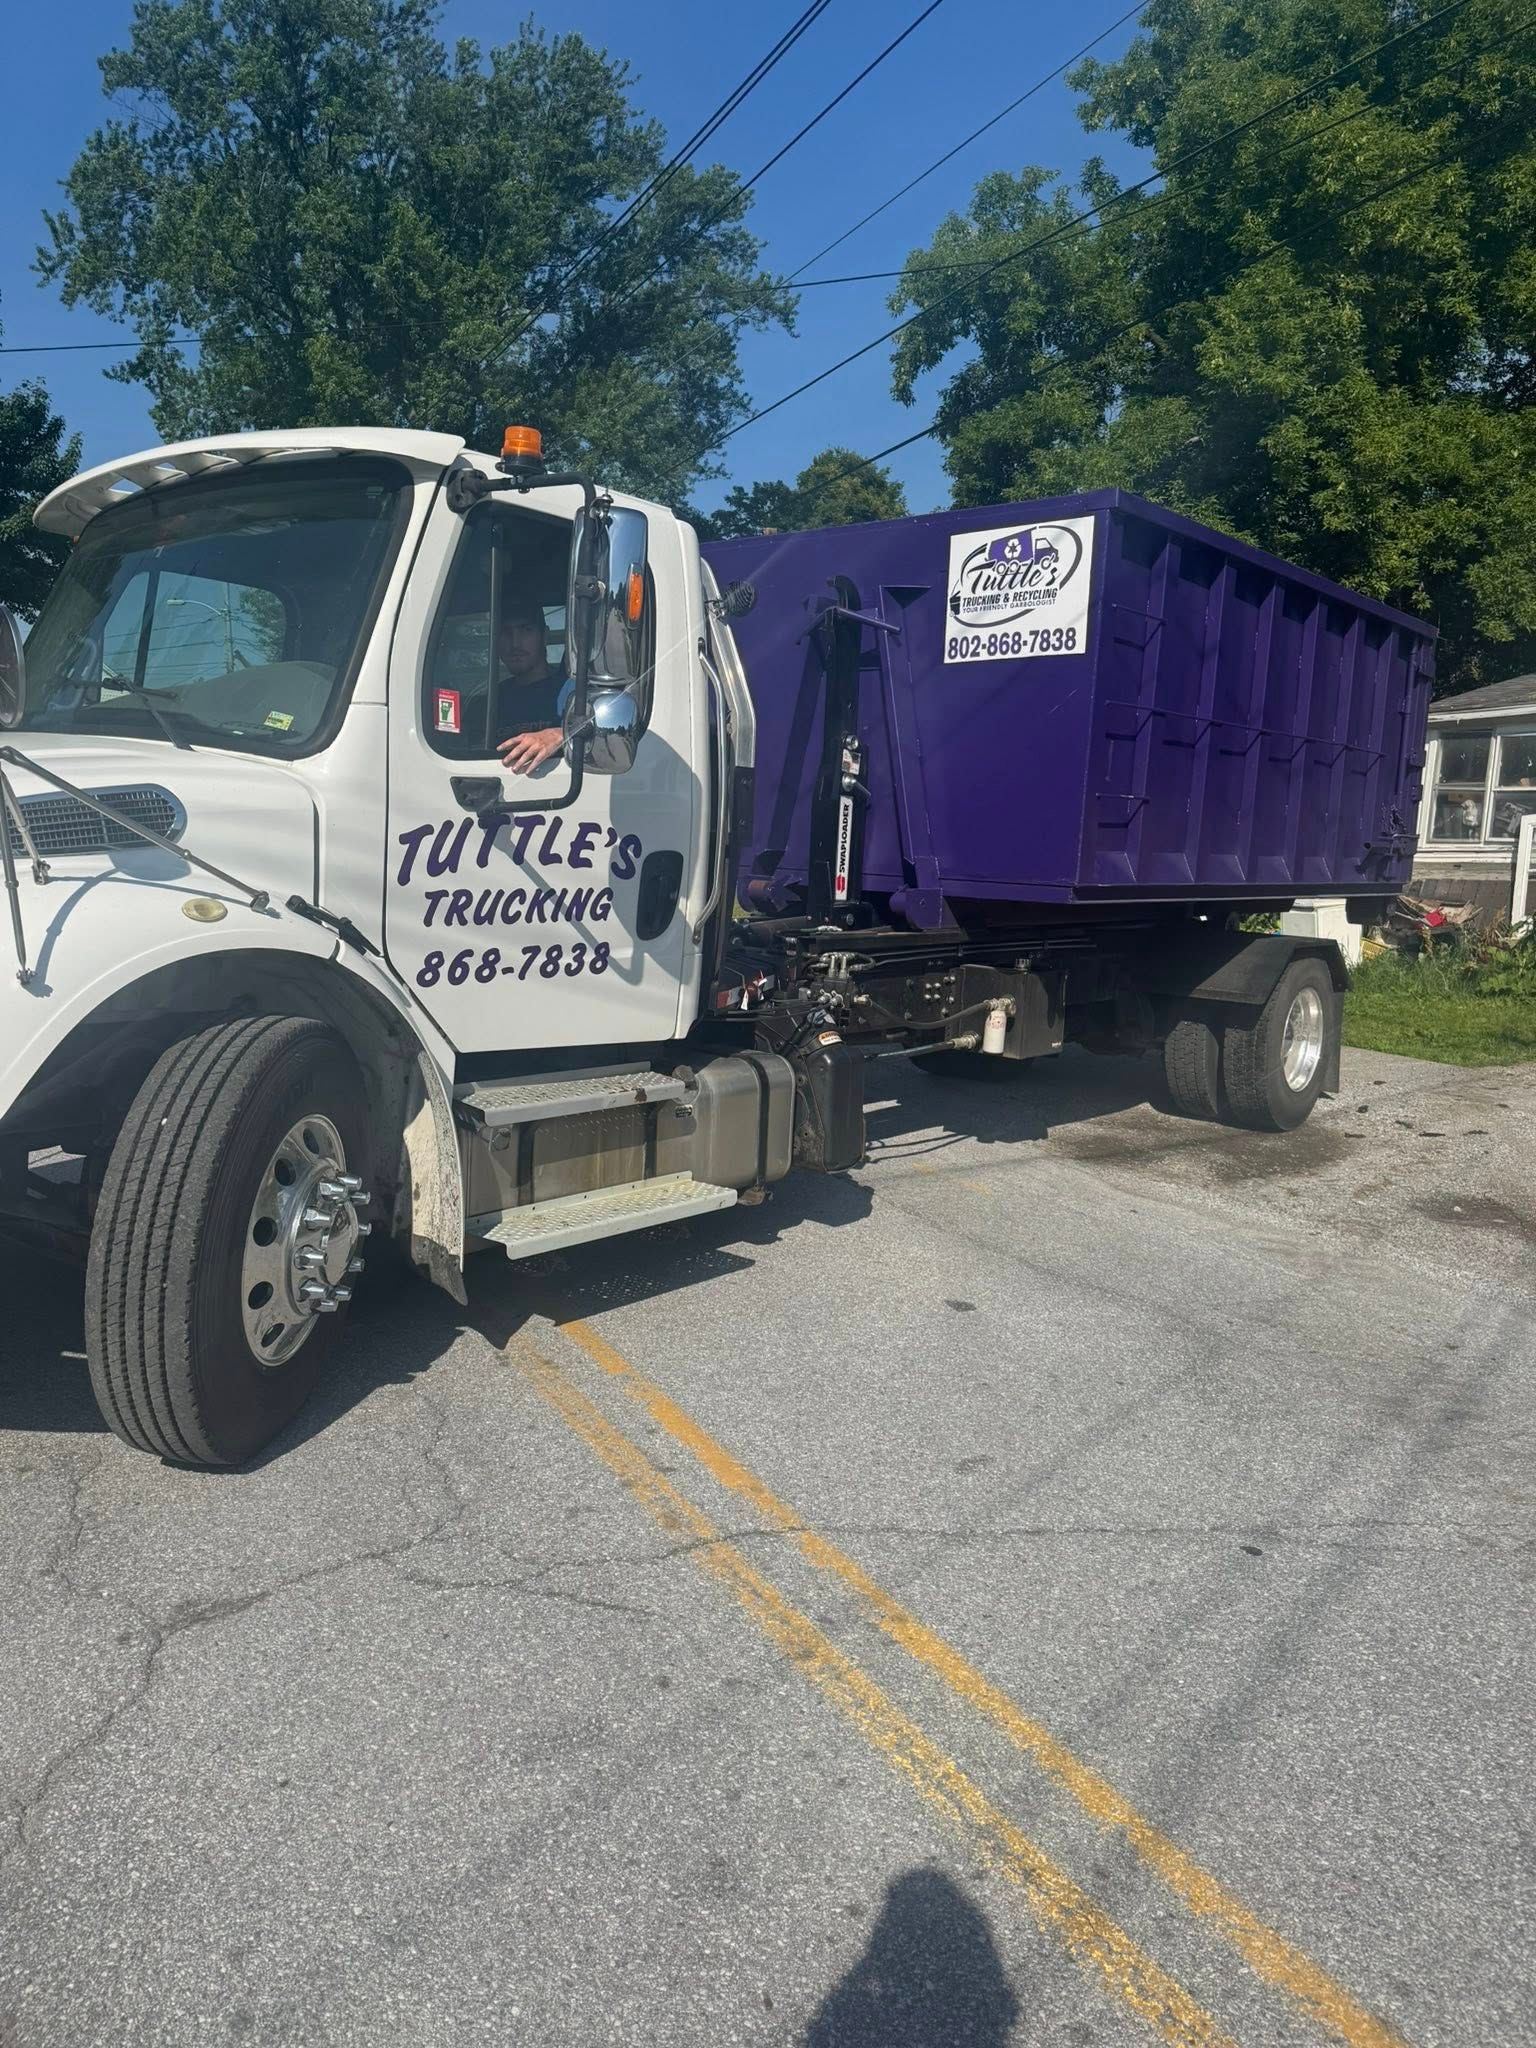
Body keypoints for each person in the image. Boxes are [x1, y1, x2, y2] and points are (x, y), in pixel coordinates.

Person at [494, 585, 567, 775]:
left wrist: (561, 734)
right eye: (506, 632)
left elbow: (602, 733)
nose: (515, 643)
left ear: (545, 635)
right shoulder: (488, 701)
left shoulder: (573, 691)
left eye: (525, 630)